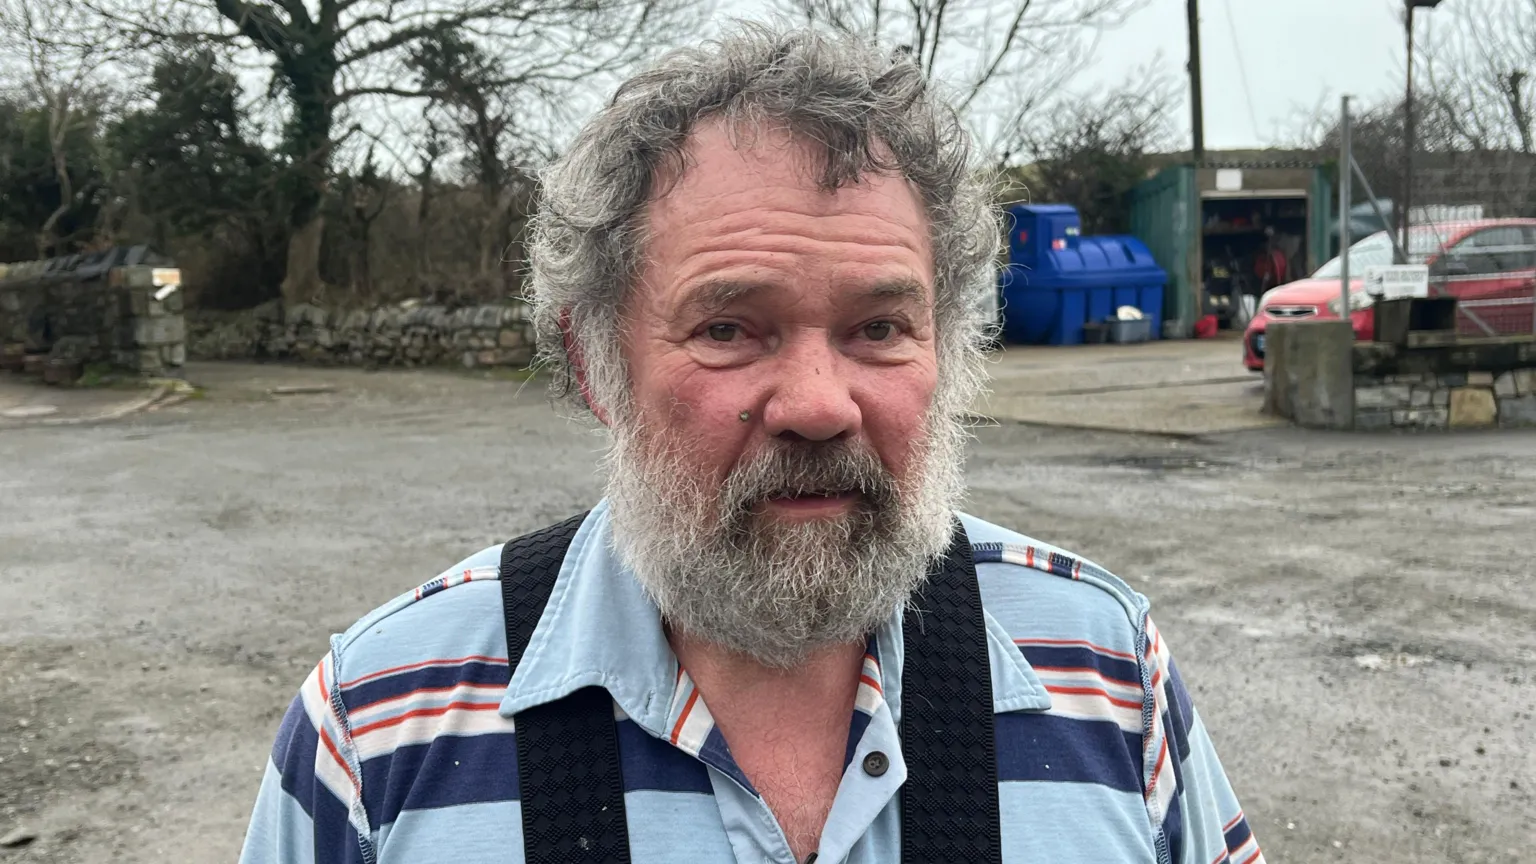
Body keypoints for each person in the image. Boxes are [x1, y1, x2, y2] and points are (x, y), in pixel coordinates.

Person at [239, 25, 1264, 864]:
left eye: (878, 328)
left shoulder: (1108, 674)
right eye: (730, 328)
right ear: (594, 364)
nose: (819, 404)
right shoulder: (378, 733)